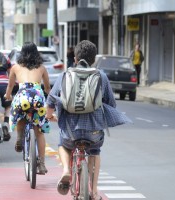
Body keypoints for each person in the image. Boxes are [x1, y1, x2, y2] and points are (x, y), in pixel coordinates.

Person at [46, 40, 131, 199]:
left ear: (75, 59)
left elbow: (51, 100)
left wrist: (49, 116)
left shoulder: (65, 75)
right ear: (94, 60)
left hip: (70, 132)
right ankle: (93, 191)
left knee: (63, 145)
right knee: (95, 151)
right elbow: (111, 103)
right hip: (94, 131)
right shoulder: (101, 76)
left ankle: (65, 171)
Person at [4, 41, 51, 175]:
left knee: (19, 114)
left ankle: (19, 138)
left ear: (22, 53)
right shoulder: (41, 68)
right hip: (37, 97)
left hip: (22, 96)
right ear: (37, 53)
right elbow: (47, 88)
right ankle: (41, 164)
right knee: (39, 132)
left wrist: (7, 96)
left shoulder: (15, 67)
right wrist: (49, 96)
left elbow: (10, 87)